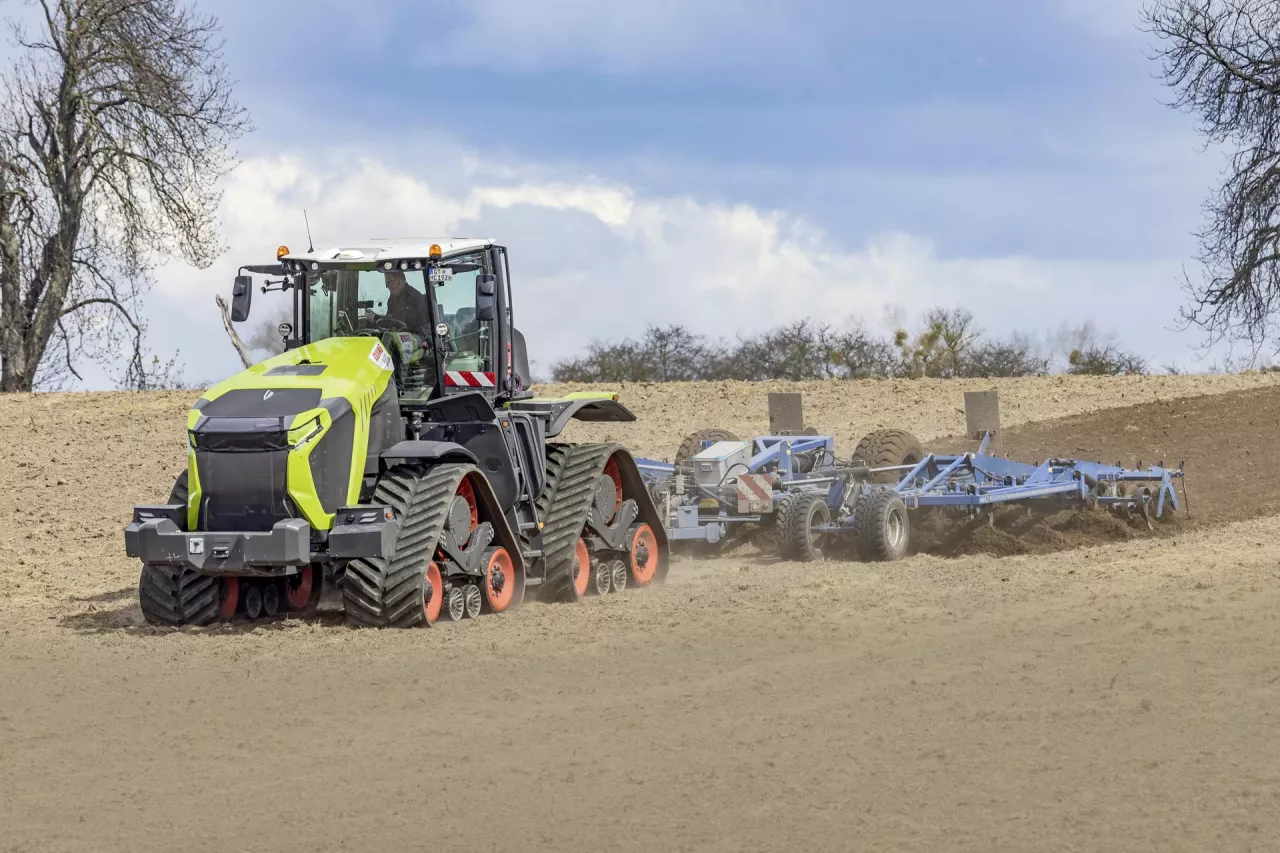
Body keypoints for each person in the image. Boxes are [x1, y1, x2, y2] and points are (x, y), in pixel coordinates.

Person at [364, 270, 430, 335]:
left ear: (398, 282)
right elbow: (389, 319)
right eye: (386, 283)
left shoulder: (412, 298)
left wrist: (376, 317)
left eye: (389, 282)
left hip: (414, 337)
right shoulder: (393, 297)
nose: (387, 286)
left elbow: (401, 323)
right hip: (399, 336)